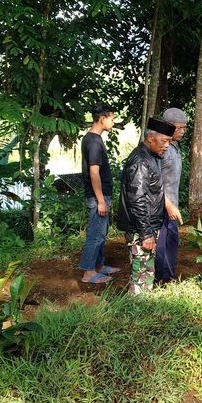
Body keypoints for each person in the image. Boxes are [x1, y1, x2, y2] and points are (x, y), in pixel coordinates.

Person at [117, 117, 175, 294]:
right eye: (164, 141)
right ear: (150, 137)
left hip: (146, 225)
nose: (166, 146)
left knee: (146, 268)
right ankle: (136, 310)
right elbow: (138, 199)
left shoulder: (151, 156)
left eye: (169, 142)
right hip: (140, 227)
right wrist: (146, 233)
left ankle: (143, 305)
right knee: (141, 271)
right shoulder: (141, 161)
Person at [79, 103, 119, 284]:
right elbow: (94, 172)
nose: (113, 121)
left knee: (101, 233)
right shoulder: (94, 141)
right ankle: (88, 272)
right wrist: (101, 200)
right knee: (95, 234)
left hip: (100, 196)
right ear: (102, 118)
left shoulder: (92, 138)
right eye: (112, 118)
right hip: (98, 197)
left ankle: (99, 266)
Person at [155, 108, 188, 283]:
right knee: (162, 244)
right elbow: (154, 180)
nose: (182, 131)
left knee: (171, 242)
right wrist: (168, 205)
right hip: (162, 206)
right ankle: (161, 279)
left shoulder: (174, 145)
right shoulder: (161, 148)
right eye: (178, 128)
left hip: (172, 204)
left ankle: (168, 276)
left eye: (184, 128)